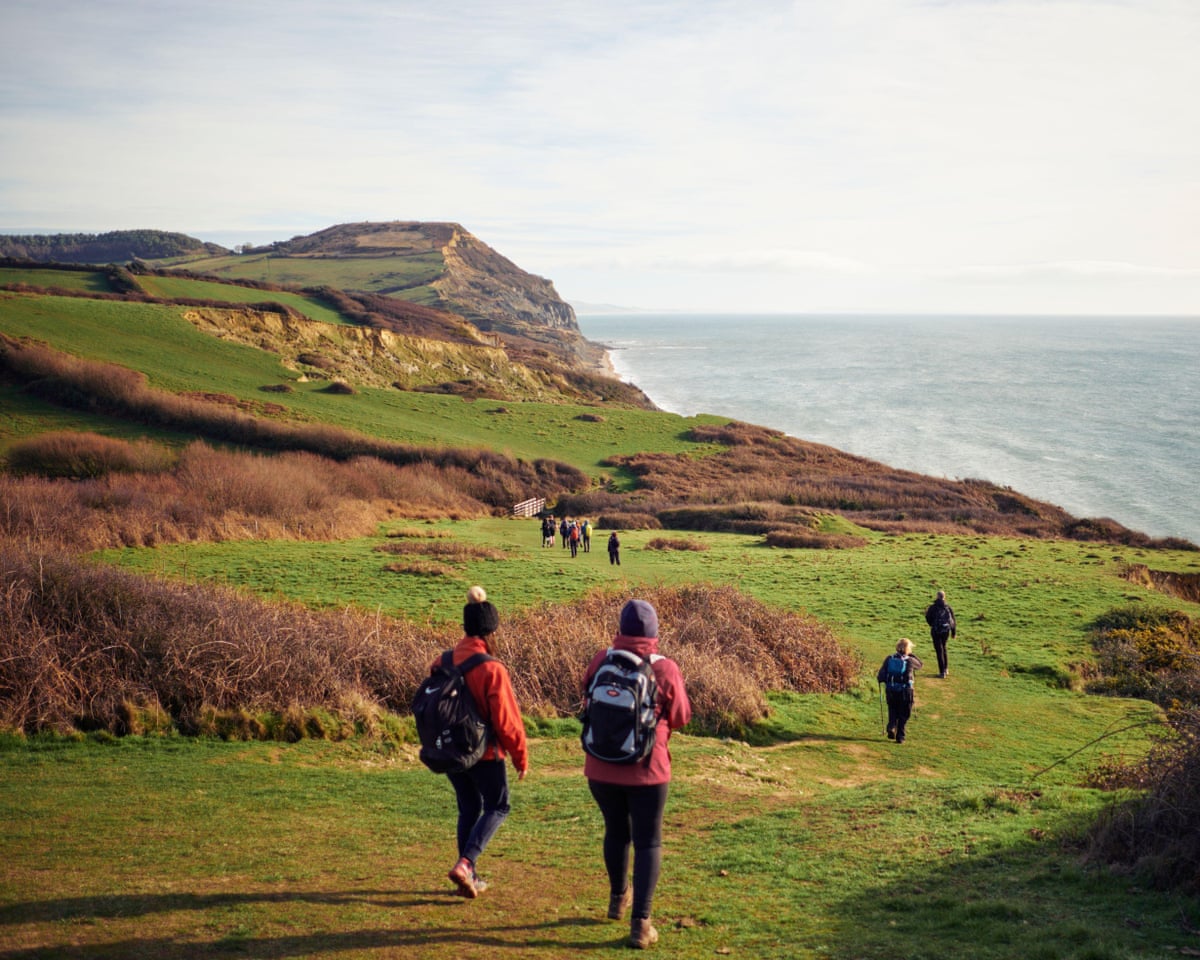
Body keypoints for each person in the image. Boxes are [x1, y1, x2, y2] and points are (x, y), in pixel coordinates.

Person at [582, 599, 692, 949]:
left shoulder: (601, 660)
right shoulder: (664, 668)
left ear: (621, 629)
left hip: (599, 767)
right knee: (648, 841)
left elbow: (586, 698)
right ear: (654, 632)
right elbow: (681, 716)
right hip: (648, 771)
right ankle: (641, 924)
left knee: (616, 832)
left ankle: (618, 900)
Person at [438, 586, 529, 898]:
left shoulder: (442, 661)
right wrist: (521, 758)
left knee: (469, 807)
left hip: (449, 749)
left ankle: (470, 877)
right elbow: (507, 721)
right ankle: (465, 865)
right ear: (492, 630)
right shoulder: (492, 668)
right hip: (484, 753)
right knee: (498, 805)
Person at [876, 637, 923, 744]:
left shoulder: (889, 658)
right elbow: (920, 665)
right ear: (908, 649)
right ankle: (900, 736)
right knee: (904, 713)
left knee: (893, 709)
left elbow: (881, 676)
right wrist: (910, 654)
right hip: (906, 691)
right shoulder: (910, 660)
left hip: (891, 689)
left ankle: (892, 726)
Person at [924, 589, 957, 679]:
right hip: (946, 631)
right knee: (944, 648)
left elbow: (928, 618)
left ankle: (942, 672)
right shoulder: (948, 607)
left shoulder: (933, 607)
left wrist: (932, 625)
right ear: (944, 597)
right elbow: (953, 620)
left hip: (936, 631)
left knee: (939, 650)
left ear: (937, 596)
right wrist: (953, 632)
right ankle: (946, 669)